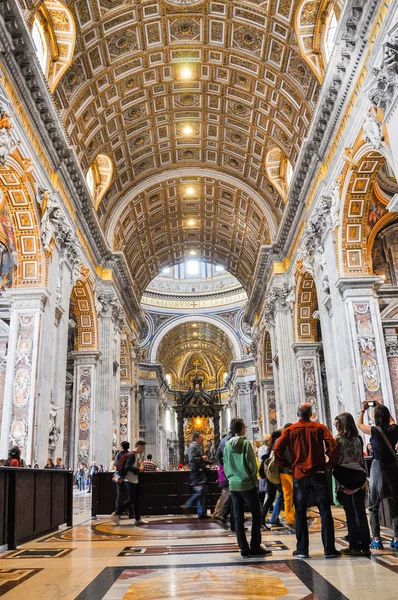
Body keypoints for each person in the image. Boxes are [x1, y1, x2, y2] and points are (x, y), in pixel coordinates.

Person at [274, 403, 340, 559]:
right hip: (318, 473)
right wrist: (329, 464)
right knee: (325, 511)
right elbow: (334, 446)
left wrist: (287, 465)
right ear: (311, 414)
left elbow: (277, 449)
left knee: (301, 513)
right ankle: (329, 549)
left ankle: (302, 549)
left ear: (298, 414)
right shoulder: (320, 428)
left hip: (299, 475)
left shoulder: (290, 430)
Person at [223, 418, 272, 558]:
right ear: (243, 429)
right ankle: (255, 546)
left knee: (238, 517)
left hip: (233, 485)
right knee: (257, 515)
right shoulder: (246, 444)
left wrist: (231, 478)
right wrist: (253, 480)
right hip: (247, 484)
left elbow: (226, 464)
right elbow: (252, 465)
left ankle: (244, 548)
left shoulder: (227, 445)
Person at [358, 401, 398, 550]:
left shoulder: (374, 431)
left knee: (373, 506)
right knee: (395, 505)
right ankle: (397, 538)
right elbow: (393, 422)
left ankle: (376, 539)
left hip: (378, 468)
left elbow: (360, 426)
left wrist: (362, 411)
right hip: (393, 468)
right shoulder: (394, 429)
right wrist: (382, 406)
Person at [334, 412, 370, 556]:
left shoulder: (337, 440)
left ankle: (354, 545)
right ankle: (366, 544)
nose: (335, 427)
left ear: (342, 424)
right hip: (359, 477)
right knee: (361, 512)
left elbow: (335, 460)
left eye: (337, 424)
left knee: (350, 513)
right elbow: (361, 458)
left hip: (345, 478)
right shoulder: (358, 439)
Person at [111, 440, 146, 525]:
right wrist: (138, 470)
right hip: (129, 480)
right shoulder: (132, 455)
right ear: (139, 446)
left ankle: (138, 519)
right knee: (131, 500)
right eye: (143, 448)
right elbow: (127, 467)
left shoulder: (133, 455)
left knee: (136, 500)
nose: (143, 450)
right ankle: (117, 513)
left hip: (133, 480)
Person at [212, 420, 235, 527]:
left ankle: (221, 513)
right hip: (228, 470)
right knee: (227, 493)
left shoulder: (223, 440)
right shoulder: (231, 440)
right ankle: (221, 513)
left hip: (223, 469)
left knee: (227, 493)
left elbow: (217, 456)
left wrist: (220, 466)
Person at [181, 432, 209, 519]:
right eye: (201, 437)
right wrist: (202, 458)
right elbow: (192, 459)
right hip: (196, 472)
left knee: (202, 491)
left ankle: (201, 513)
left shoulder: (199, 446)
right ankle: (188, 504)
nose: (202, 439)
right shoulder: (193, 446)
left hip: (200, 471)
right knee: (200, 491)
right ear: (196, 438)